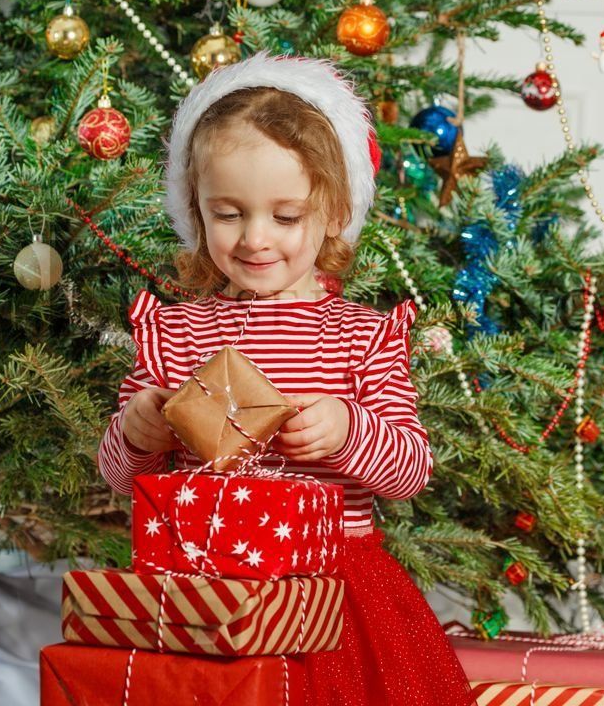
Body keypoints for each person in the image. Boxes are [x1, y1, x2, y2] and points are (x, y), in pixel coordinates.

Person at [98, 52, 475, 706]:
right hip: (203, 592)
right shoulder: (180, 333)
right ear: (196, 210)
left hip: (334, 593)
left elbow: (412, 471)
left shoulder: (361, 337)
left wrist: (348, 429)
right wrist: (137, 431)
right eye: (228, 213)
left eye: (286, 215)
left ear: (333, 212)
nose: (255, 238)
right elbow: (121, 478)